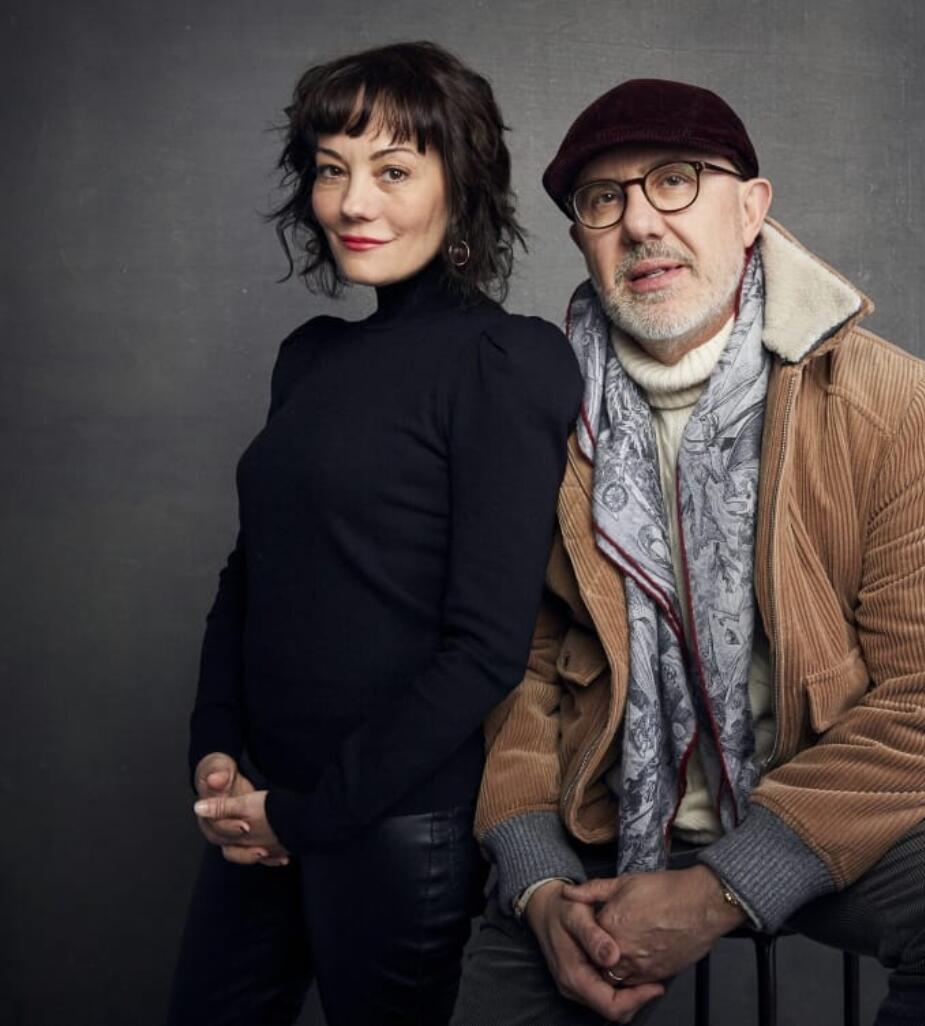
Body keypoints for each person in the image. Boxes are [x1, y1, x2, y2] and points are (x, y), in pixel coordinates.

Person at [451, 79, 925, 1025]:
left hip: (837, 809)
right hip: (603, 822)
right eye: (603, 199)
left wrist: (718, 892)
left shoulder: (891, 401)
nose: (638, 222)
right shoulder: (535, 410)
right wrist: (538, 881)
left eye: (675, 181)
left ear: (752, 206)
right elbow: (517, 674)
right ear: (583, 235)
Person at [166, 42, 581, 1026]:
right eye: (330, 169)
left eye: (393, 170)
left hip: (399, 825)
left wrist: (307, 817)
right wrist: (217, 751)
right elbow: (250, 574)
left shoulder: (505, 360)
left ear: (461, 182)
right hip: (258, 808)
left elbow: (483, 647)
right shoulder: (308, 358)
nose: (354, 203)